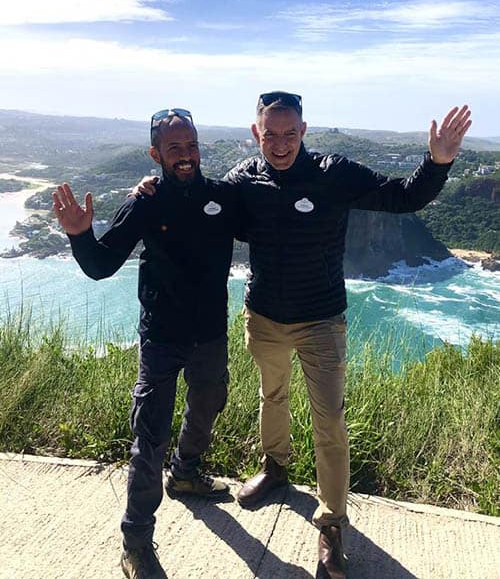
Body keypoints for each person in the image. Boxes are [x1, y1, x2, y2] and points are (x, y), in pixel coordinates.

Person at [134, 93, 472, 578]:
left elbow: (403, 196)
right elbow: (196, 202)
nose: (280, 144)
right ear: (256, 134)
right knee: (271, 397)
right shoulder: (243, 181)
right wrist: (153, 187)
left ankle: (332, 524)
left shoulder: (334, 172)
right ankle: (275, 468)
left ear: (304, 131)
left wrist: (438, 162)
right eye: (270, 134)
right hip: (264, 317)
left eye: (290, 133)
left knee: (328, 421)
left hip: (321, 322)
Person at [53, 109, 240, 579]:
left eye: (191, 145)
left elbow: (270, 221)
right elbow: (100, 265)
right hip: (161, 337)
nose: (186, 156)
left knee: (210, 402)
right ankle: (136, 542)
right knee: (148, 438)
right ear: (156, 154)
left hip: (211, 333)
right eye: (174, 148)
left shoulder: (220, 197)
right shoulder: (145, 203)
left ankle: (186, 472)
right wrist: (80, 235)